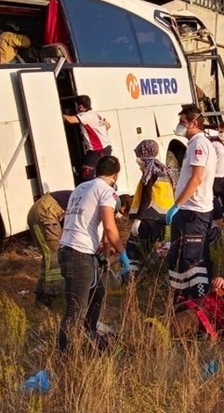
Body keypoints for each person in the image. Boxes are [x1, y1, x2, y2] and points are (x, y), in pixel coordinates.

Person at [57, 156, 126, 352]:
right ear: (115, 175)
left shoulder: (81, 188)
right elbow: (110, 228)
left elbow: (97, 229)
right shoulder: (106, 191)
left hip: (70, 249)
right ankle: (65, 357)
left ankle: (90, 333)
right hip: (78, 253)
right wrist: (123, 254)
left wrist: (104, 255)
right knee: (74, 312)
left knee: (98, 292)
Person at [166, 105, 224, 301]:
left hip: (194, 211)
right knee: (180, 257)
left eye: (183, 123)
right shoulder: (193, 144)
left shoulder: (199, 144)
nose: (180, 126)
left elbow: (196, 178)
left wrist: (177, 204)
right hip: (189, 210)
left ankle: (198, 301)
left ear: (194, 123)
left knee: (193, 259)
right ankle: (181, 299)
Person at [125, 140, 175, 277]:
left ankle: (132, 281)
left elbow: (147, 198)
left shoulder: (150, 173)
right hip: (163, 221)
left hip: (148, 219)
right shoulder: (164, 172)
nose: (137, 159)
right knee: (150, 251)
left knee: (134, 252)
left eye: (139, 155)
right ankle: (151, 277)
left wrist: (138, 220)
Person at [27, 190, 73, 305]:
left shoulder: (82, 195)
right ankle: (51, 295)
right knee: (55, 255)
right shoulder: (91, 204)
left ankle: (41, 294)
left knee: (48, 256)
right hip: (46, 213)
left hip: (37, 211)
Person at [63, 95, 112, 181]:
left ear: (81, 107)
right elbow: (108, 126)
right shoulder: (95, 114)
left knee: (87, 173)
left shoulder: (85, 116)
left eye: (76, 106)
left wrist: (56, 115)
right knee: (101, 172)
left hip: (97, 150)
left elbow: (70, 120)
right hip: (106, 148)